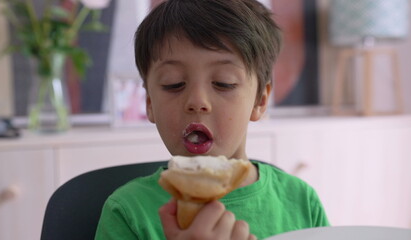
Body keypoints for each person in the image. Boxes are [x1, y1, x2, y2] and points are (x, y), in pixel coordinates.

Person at [95, 0, 329, 239]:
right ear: (150, 104)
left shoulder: (301, 201)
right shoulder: (127, 212)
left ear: (259, 101)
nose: (197, 101)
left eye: (223, 83)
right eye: (173, 84)